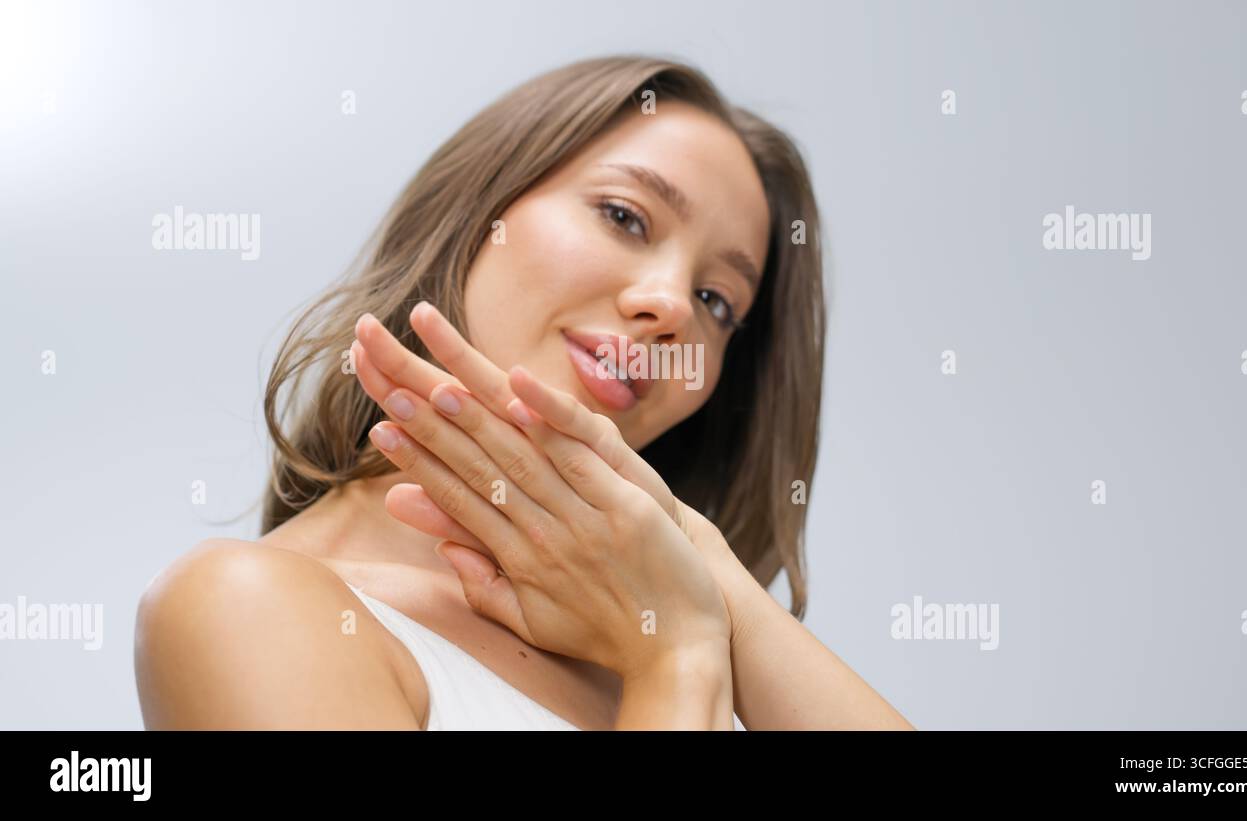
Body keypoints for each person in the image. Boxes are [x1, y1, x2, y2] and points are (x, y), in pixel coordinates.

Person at [134, 55, 913, 731]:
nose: (673, 305)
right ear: (478, 212)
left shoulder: (700, 617)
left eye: (717, 302)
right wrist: (672, 659)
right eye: (624, 216)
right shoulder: (245, 604)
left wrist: (692, 561)